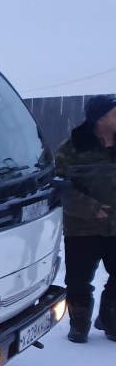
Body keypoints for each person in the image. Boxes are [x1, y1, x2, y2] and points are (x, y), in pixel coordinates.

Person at [54, 93, 116, 342]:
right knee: (79, 281)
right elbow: (60, 186)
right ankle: (79, 324)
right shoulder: (72, 148)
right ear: (100, 119)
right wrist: (92, 209)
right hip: (82, 228)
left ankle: (110, 320)